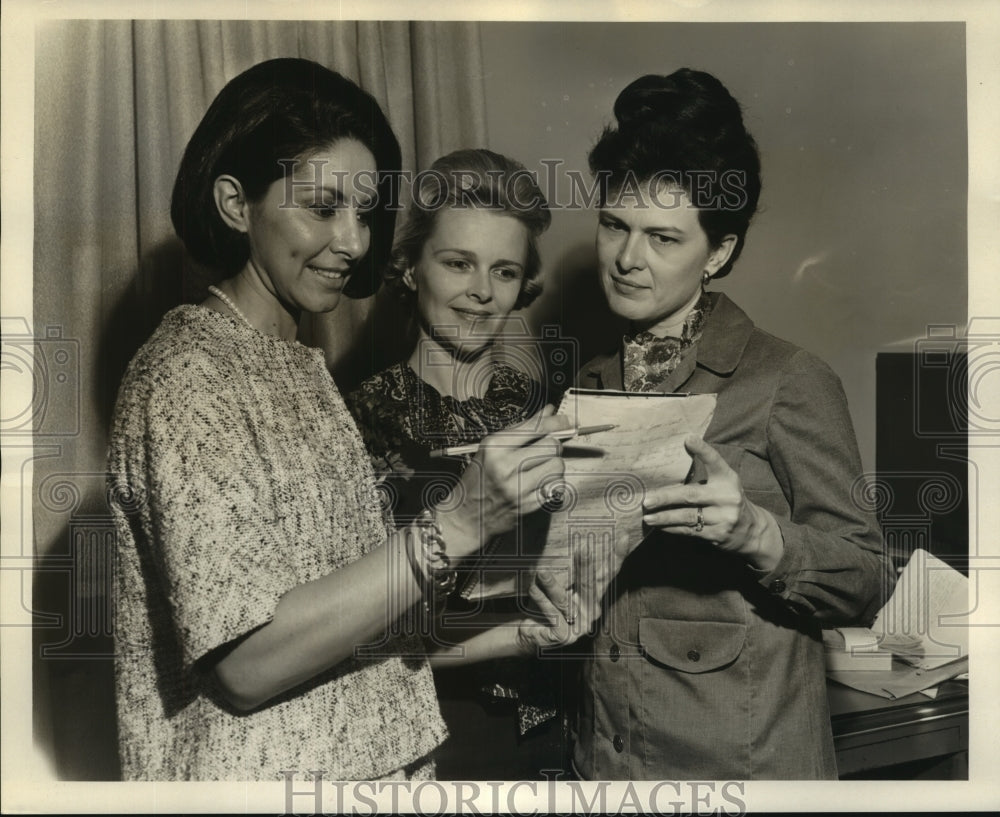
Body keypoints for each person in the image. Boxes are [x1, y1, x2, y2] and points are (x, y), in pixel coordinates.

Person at [106, 58, 578, 782]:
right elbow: (245, 663)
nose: (356, 242)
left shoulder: (296, 364)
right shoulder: (187, 374)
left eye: (363, 212)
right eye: (322, 208)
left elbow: (351, 619)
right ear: (236, 204)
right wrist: (460, 520)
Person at [567, 68, 893, 780]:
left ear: (718, 252)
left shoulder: (786, 379)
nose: (627, 258)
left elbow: (871, 577)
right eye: (614, 225)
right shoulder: (586, 383)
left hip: (747, 774)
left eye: (663, 238)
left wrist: (756, 533)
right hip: (610, 766)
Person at [346, 149, 570, 779]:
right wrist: (515, 638)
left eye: (504, 271)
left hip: (555, 737)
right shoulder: (358, 422)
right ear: (411, 268)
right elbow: (354, 643)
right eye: (457, 263)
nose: (480, 292)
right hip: (428, 741)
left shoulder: (541, 414)